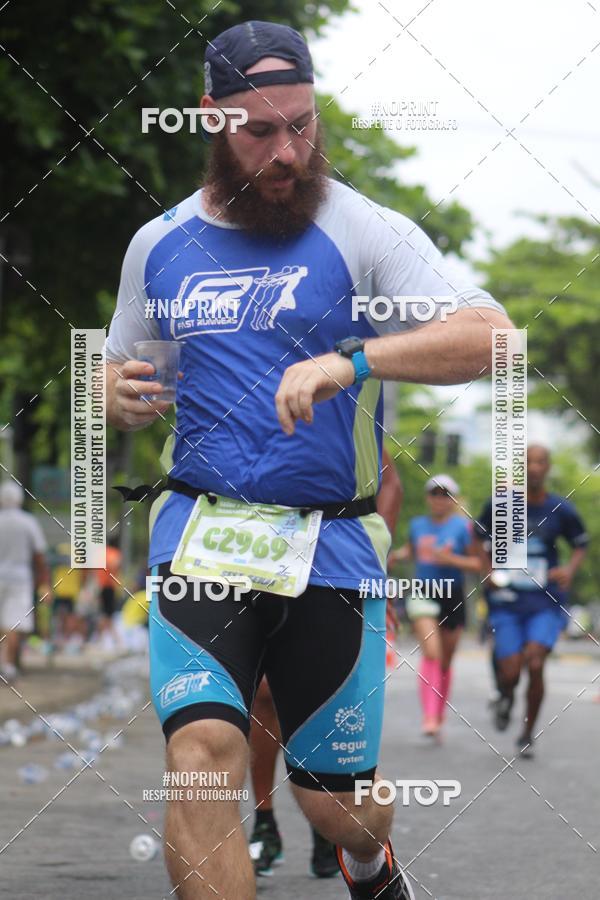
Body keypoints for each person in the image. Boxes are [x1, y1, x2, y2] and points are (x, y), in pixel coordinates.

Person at [105, 20, 511, 900]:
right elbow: (111, 367)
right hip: (200, 534)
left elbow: (492, 339)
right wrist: (109, 397)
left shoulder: (362, 230)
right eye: (260, 131)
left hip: (330, 545)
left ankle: (369, 862)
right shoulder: (159, 245)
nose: (288, 150)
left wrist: (353, 360)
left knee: (337, 804)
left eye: (303, 124)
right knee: (203, 753)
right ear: (209, 118)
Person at [248, 448, 403, 879]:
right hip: (249, 556)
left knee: (323, 701)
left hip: (332, 561)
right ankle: (265, 822)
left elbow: (389, 481)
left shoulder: (336, 387)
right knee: (263, 698)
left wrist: (375, 561)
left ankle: (327, 815)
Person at [474, 445, 588, 758]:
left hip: (545, 600)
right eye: (528, 463)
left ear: (548, 468)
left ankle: (526, 732)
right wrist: (487, 571)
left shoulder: (560, 509)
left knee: (535, 662)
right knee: (511, 671)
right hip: (508, 601)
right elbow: (477, 536)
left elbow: (580, 543)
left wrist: (568, 569)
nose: (534, 468)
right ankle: (505, 695)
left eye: (540, 462)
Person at [391, 475, 481, 737]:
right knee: (432, 652)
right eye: (435, 494)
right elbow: (411, 550)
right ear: (428, 498)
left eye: (446, 495)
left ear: (454, 500)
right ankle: (429, 717)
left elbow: (478, 565)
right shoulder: (418, 525)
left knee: (445, 661)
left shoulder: (464, 528)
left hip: (453, 595)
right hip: (423, 592)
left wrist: (451, 560)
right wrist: (394, 555)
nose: (440, 500)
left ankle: (438, 712)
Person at [0, 481, 51, 683]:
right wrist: (44, 582)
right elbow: (39, 555)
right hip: (20, 579)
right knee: (13, 623)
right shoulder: (28, 522)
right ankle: (9, 666)